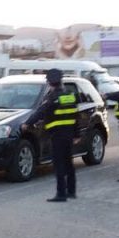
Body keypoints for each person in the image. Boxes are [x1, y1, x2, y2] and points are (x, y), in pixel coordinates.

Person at [22, 68, 77, 202]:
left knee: (59, 165)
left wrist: (27, 124)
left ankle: (61, 194)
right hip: (69, 135)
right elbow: (75, 115)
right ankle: (71, 191)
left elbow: (40, 112)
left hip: (57, 135)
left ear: (50, 83)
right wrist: (77, 134)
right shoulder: (70, 95)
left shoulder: (52, 97)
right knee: (68, 163)